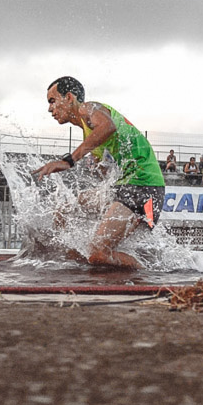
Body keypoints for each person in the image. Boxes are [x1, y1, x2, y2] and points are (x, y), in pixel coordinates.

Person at [33, 76, 165, 269]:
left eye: (52, 101)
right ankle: (68, 256)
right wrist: (97, 166)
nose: (49, 109)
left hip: (144, 187)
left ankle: (150, 276)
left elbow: (108, 127)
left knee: (98, 253)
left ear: (69, 97)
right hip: (124, 188)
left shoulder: (89, 108)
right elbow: (106, 174)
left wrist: (68, 161)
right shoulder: (89, 134)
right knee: (65, 210)